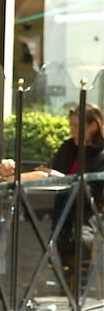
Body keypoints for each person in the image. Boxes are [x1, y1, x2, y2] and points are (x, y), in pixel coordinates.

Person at [51, 103, 104, 279]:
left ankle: (77, 288)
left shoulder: (101, 154)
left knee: (80, 240)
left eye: (77, 126)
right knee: (58, 236)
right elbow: (54, 168)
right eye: (71, 125)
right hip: (63, 210)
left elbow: (96, 190)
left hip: (89, 213)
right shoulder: (68, 147)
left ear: (93, 126)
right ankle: (67, 284)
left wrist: (68, 181)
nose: (72, 130)